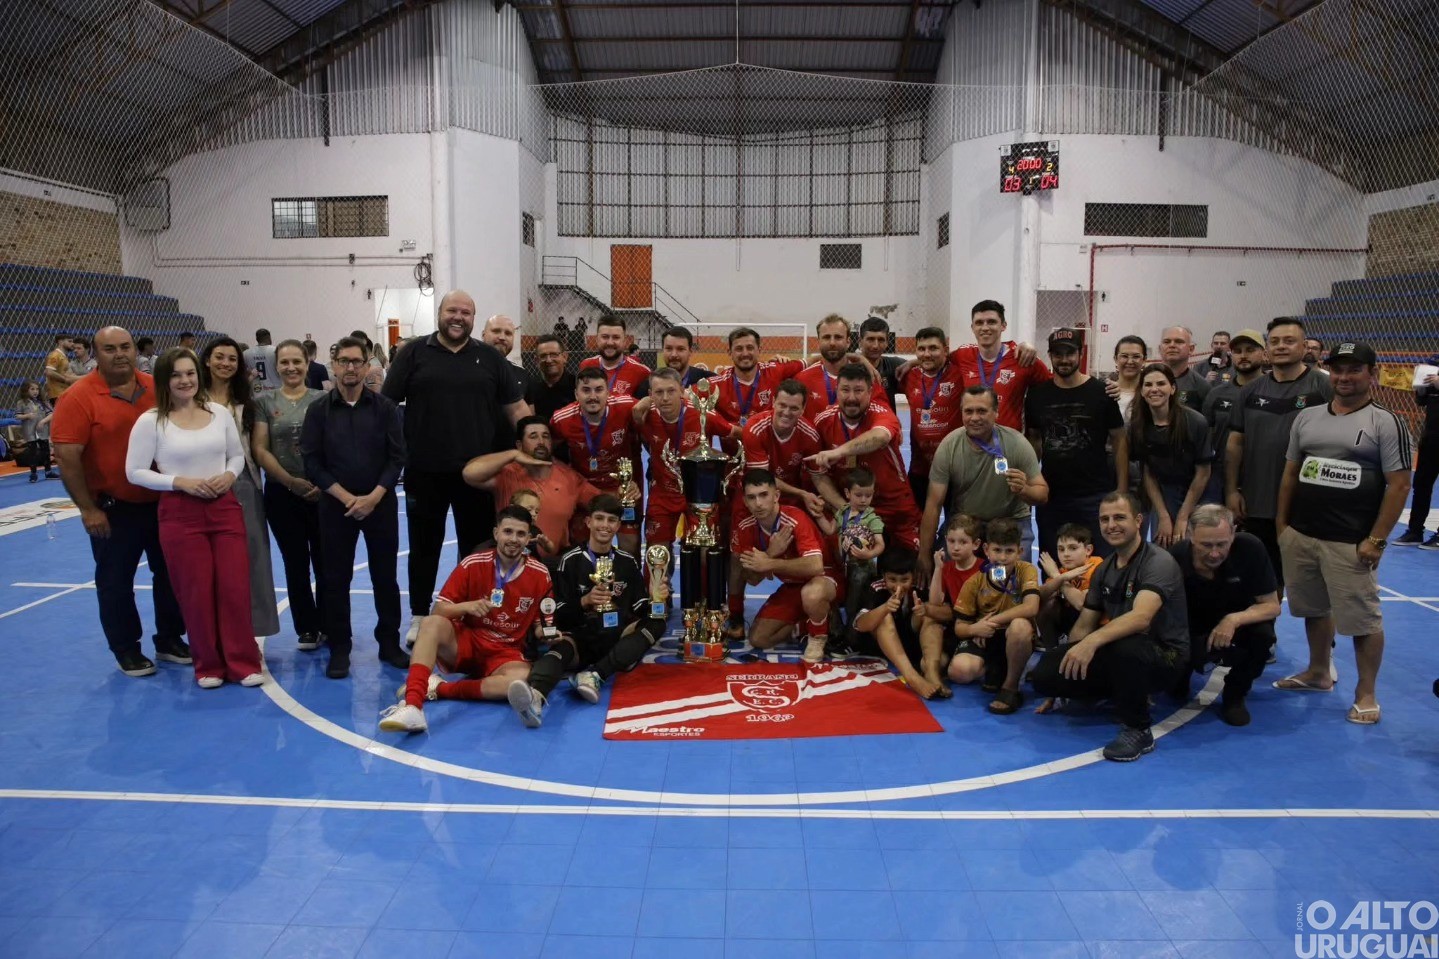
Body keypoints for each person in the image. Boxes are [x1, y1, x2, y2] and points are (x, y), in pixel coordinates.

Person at [1273, 342, 1411, 726]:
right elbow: (1290, 473)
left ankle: (1366, 693)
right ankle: (1319, 672)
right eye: (1338, 369)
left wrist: (1377, 539)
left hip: (1351, 540)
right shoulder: (1308, 417)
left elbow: (1400, 484)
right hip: (1302, 534)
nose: (1344, 377)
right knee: (1314, 608)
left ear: (1373, 374)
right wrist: (1283, 526)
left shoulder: (1386, 422)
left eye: (1354, 370)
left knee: (1363, 620)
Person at [383, 289, 528, 645]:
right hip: (424, 471)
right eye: (452, 310)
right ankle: (420, 615)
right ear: (440, 313)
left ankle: (471, 615)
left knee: (476, 548)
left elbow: (516, 410)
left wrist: (539, 449)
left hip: (476, 475)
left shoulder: (489, 358)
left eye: (466, 312)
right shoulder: (413, 352)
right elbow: (385, 406)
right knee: (424, 546)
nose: (458, 317)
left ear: (473, 319)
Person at [51, 326, 190, 677]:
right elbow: (68, 457)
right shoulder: (77, 397)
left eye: (125, 347)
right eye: (110, 349)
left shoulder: (157, 387)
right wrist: (88, 509)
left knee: (172, 574)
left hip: (163, 502)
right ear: (95, 354)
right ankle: (126, 648)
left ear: (134, 349)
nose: (119, 354)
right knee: (115, 581)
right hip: (113, 508)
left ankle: (170, 638)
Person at [124, 347, 262, 688]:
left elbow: (236, 456)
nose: (185, 380)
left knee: (233, 588)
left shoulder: (219, 413)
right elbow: (134, 471)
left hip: (224, 508)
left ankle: (242, 662)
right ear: (164, 380)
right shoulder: (151, 421)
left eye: (189, 373)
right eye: (176, 375)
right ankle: (208, 665)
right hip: (180, 513)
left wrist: (229, 476)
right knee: (196, 591)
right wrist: (178, 482)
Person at [1028, 491, 1191, 762]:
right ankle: (1118, 692)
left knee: (1127, 643)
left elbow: (1141, 618)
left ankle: (1138, 729)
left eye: (1119, 518)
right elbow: (1085, 624)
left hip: (1165, 655)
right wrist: (1066, 668)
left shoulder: (1157, 561)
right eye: (1105, 519)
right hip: (1120, 652)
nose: (1111, 525)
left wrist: (1091, 643)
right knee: (1045, 674)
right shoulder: (1105, 569)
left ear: (1138, 521)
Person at [382, 507, 553, 733]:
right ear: (496, 533)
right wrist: (467, 606)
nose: (513, 539)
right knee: (431, 624)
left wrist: (545, 633)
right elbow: (438, 610)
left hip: (506, 652)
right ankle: (413, 706)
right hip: (468, 642)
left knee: (518, 681)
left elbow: (542, 621)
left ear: (529, 537)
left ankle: (440, 689)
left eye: (520, 534)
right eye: (508, 532)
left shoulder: (540, 574)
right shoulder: (473, 563)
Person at [301, 336, 409, 678]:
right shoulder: (318, 411)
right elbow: (312, 462)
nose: (350, 367)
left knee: (385, 577)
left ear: (366, 366)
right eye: (343, 361)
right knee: (335, 579)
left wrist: (374, 496)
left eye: (356, 362)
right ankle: (340, 647)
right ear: (334, 366)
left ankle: (389, 643)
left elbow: (397, 458)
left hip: (380, 505)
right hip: (336, 507)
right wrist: (346, 498)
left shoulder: (385, 408)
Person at [1224, 316, 1333, 594]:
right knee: (1264, 584)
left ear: (1304, 346)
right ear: (1267, 349)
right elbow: (1235, 444)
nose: (1281, 346)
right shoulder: (1250, 391)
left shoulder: (1324, 387)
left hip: (1308, 504)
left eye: (1289, 341)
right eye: (1274, 341)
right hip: (1257, 502)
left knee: (1313, 589)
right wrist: (1232, 490)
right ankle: (1267, 624)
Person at [538, 494, 669, 707]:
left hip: (617, 638)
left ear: (618, 525)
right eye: (599, 518)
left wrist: (657, 597)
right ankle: (535, 692)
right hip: (581, 639)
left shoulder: (627, 562)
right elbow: (557, 613)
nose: (605, 525)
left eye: (612, 520)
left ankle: (596, 675)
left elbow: (641, 608)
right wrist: (585, 601)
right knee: (562, 647)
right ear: (588, 522)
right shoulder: (569, 561)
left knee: (657, 621)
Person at [917, 385, 1047, 585]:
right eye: (968, 411)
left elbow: (1042, 493)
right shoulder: (949, 446)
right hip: (968, 522)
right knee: (952, 582)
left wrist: (1025, 490)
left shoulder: (1016, 443)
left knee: (1013, 585)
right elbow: (933, 505)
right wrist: (924, 554)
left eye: (982, 411)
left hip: (1010, 520)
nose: (974, 418)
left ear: (996, 413)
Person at [1169, 504, 1281, 726]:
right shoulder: (1175, 558)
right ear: (1190, 535)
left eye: (1221, 544)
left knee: (1263, 636)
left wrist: (1233, 620)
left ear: (1233, 533)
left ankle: (1235, 695)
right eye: (1206, 545)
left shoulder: (1251, 549)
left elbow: (1272, 606)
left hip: (1238, 624)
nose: (1214, 553)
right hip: (1191, 626)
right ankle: (1182, 672)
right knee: (1173, 688)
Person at [200, 337, 280, 639]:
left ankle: (253, 634)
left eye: (232, 359)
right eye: (219, 357)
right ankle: (214, 634)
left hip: (244, 484)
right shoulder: (191, 400)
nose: (225, 363)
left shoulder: (248, 403)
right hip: (202, 486)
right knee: (210, 566)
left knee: (254, 559)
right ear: (206, 360)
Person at [1024, 327, 1127, 560]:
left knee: (1099, 562)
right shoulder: (1037, 396)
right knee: (1052, 561)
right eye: (1057, 354)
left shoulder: (1102, 392)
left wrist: (1121, 490)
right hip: (1052, 495)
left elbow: (1119, 439)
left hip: (1094, 494)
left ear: (1080, 354)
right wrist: (1032, 485)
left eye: (1070, 353)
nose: (1064, 360)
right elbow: (1035, 440)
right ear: (1050, 356)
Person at [253, 340, 327, 651]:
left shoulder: (323, 399)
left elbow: (334, 444)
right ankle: (307, 628)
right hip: (282, 495)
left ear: (307, 364)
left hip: (323, 493)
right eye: (284, 362)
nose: (291, 367)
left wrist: (324, 482)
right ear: (276, 366)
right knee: (295, 564)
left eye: (297, 361)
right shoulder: (264, 402)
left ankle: (329, 623)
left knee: (326, 562)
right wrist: (289, 481)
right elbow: (260, 448)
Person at [730, 470, 842, 662]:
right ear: (745, 501)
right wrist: (770, 553)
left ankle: (818, 637)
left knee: (812, 593)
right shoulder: (745, 528)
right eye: (752, 497)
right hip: (793, 586)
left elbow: (816, 567)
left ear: (776, 496)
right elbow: (753, 579)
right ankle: (814, 622)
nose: (758, 503)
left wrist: (770, 562)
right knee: (759, 639)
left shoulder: (794, 519)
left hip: (825, 579)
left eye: (764, 495)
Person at [809, 363, 921, 551]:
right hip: (853, 505)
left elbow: (880, 436)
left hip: (895, 507)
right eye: (845, 390)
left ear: (870, 392)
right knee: (846, 557)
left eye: (859, 391)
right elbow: (817, 474)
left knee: (914, 561)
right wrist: (846, 510)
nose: (851, 398)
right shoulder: (822, 422)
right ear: (837, 391)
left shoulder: (882, 412)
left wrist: (839, 451)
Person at [461, 416, 605, 560]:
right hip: (511, 560)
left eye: (545, 436)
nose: (541, 442)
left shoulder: (570, 478)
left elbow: (603, 503)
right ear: (519, 445)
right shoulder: (507, 474)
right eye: (533, 436)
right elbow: (469, 473)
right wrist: (513, 454)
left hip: (553, 563)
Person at [634, 368, 739, 554]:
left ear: (682, 390)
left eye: (671, 391)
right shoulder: (644, 415)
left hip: (698, 494)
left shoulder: (702, 414)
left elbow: (738, 434)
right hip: (663, 494)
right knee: (656, 553)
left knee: (704, 551)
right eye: (659, 392)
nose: (665, 398)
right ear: (650, 394)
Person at [947, 517, 1041, 714]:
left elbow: (1031, 607)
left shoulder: (1026, 570)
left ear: (1020, 551)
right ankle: (996, 668)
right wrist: (975, 629)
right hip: (985, 637)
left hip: (1011, 635)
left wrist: (992, 621)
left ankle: (1011, 687)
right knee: (959, 672)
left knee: (1020, 625)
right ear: (987, 550)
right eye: (997, 550)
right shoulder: (974, 582)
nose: (1003, 557)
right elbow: (960, 628)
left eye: (1009, 551)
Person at [549, 368, 644, 555]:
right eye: (586, 390)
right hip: (585, 489)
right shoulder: (562, 420)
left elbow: (652, 411)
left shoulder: (626, 406)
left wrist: (647, 401)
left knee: (631, 545)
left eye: (599, 390)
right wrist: (568, 478)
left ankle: (626, 574)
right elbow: (547, 453)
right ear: (576, 394)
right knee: (582, 547)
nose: (593, 396)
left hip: (622, 489)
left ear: (608, 392)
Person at [1130, 363, 1213, 547]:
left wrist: (1183, 517)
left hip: (1197, 493)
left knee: (1189, 545)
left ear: (1173, 388)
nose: (1154, 389)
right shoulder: (1138, 425)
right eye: (1148, 385)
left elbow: (1203, 473)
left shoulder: (1195, 422)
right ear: (1141, 391)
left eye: (1161, 383)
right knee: (1162, 543)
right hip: (1161, 496)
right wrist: (1163, 516)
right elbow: (1148, 473)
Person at [852, 549, 945, 699]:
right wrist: (885, 608)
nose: (898, 586)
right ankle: (913, 678)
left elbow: (948, 613)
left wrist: (926, 609)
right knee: (885, 617)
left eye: (904, 580)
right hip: (880, 646)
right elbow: (860, 625)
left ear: (913, 576)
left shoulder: (919, 586)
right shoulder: (875, 587)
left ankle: (932, 674)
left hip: (910, 644)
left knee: (930, 615)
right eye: (892, 579)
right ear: (884, 576)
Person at [738, 380, 838, 516]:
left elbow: (819, 478)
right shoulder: (754, 429)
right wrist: (802, 493)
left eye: (794, 408)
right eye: (782, 405)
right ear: (773, 402)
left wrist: (844, 508)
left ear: (803, 409)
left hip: (791, 498)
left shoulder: (810, 435)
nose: (786, 412)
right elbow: (762, 480)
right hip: (756, 496)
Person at [951, 300, 1049, 432]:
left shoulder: (1022, 357)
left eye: (991, 322)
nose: (985, 328)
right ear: (972, 327)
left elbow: (1054, 384)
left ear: (1003, 325)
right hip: (974, 438)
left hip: (1010, 440)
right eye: (979, 323)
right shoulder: (963, 354)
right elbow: (936, 359)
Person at [900, 326, 968, 507]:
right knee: (920, 520)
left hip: (955, 469)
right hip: (920, 468)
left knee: (957, 521)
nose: (926, 354)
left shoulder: (960, 373)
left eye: (933, 348)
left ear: (945, 350)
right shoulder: (908, 375)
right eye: (921, 349)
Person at [812, 466, 885, 631]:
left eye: (868, 495)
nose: (863, 500)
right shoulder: (843, 512)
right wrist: (819, 515)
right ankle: (839, 631)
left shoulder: (872, 519)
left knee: (854, 604)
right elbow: (830, 529)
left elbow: (881, 544)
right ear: (847, 493)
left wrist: (868, 554)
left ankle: (852, 634)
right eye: (858, 495)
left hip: (862, 569)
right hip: (845, 566)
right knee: (842, 600)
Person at [915, 513, 984, 680]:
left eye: (963, 542)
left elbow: (1001, 599)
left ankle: (989, 666)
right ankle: (949, 662)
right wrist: (938, 568)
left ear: (976, 544)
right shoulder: (947, 568)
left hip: (977, 628)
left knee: (960, 673)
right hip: (956, 627)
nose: (956, 547)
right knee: (926, 665)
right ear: (945, 540)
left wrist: (984, 626)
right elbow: (935, 602)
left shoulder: (988, 568)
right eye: (951, 541)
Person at [1201, 328, 1264, 505]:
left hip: (1261, 477)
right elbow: (1206, 437)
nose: (1243, 355)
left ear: (1264, 353)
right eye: (1237, 351)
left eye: (1250, 350)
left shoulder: (1275, 392)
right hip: (1219, 477)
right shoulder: (1216, 394)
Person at [795, 314, 891, 421]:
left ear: (848, 342)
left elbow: (884, 415)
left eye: (838, 337)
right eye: (826, 337)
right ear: (818, 342)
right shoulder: (802, 379)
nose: (832, 343)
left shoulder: (867, 376)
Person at [713, 327, 805, 428]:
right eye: (739, 349)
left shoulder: (775, 370)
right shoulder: (716, 384)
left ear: (759, 350)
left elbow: (812, 362)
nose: (745, 353)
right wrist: (729, 429)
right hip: (731, 438)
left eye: (750, 348)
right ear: (729, 352)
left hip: (768, 437)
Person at [1393, 356, 1438, 548]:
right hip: (1432, 435)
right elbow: (1422, 401)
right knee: (1421, 484)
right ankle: (1415, 530)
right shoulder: (1434, 362)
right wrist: (1421, 387)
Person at [1035, 522, 1103, 649]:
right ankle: (1052, 650)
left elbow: (1081, 603)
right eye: (1061, 549)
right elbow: (1037, 599)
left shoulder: (1097, 566)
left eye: (1073, 548)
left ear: (1088, 550)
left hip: (1097, 626)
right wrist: (1061, 578)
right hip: (1072, 619)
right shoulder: (1063, 571)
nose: (1066, 554)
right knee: (1046, 604)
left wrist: (1057, 576)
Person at [481, 314, 532, 452]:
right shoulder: (467, 368)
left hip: (511, 453)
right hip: (473, 453)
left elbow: (528, 418)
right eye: (496, 331)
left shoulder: (522, 374)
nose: (502, 337)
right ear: (483, 335)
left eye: (508, 333)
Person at [579, 316, 651, 398]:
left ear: (624, 341)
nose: (610, 342)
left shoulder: (642, 372)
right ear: (597, 339)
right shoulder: (586, 365)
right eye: (605, 337)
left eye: (616, 337)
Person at [525, 333, 577, 430]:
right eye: (543, 356)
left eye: (554, 355)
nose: (548, 360)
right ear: (536, 361)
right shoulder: (529, 388)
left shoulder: (577, 386)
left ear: (565, 357)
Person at [1157, 326, 1210, 412]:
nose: (1172, 345)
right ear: (1160, 349)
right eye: (1166, 342)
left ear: (1191, 349)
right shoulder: (1146, 383)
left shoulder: (1201, 386)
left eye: (1179, 342)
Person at [14, 381, 56, 482]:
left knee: (46, 451)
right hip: (30, 430)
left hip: (42, 430)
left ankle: (48, 472)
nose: (35, 391)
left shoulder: (43, 402)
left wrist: (43, 421)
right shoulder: (21, 402)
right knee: (32, 453)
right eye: (32, 389)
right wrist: (27, 416)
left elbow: (52, 414)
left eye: (37, 389)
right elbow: (17, 416)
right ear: (26, 390)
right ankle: (33, 473)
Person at [858, 315, 907, 400]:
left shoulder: (894, 365)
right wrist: (860, 358)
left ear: (887, 342)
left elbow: (927, 365)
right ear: (860, 341)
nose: (875, 346)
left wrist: (912, 363)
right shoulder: (849, 365)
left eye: (881, 340)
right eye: (870, 339)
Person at [1108, 335, 1148, 423]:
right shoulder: (1106, 392)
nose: (1130, 362)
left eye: (1136, 356)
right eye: (1124, 356)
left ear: (1144, 360)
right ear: (1115, 359)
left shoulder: (1149, 393)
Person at [242, 328, 280, 395]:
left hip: (257, 392)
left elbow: (242, 372)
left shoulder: (246, 353)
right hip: (276, 391)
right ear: (269, 338)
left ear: (257, 339)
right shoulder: (277, 351)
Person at [44, 332, 76, 403]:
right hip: (57, 393)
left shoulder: (62, 356)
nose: (72, 344)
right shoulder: (55, 355)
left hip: (63, 392)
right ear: (60, 342)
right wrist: (65, 380)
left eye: (72, 342)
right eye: (69, 341)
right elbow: (49, 372)